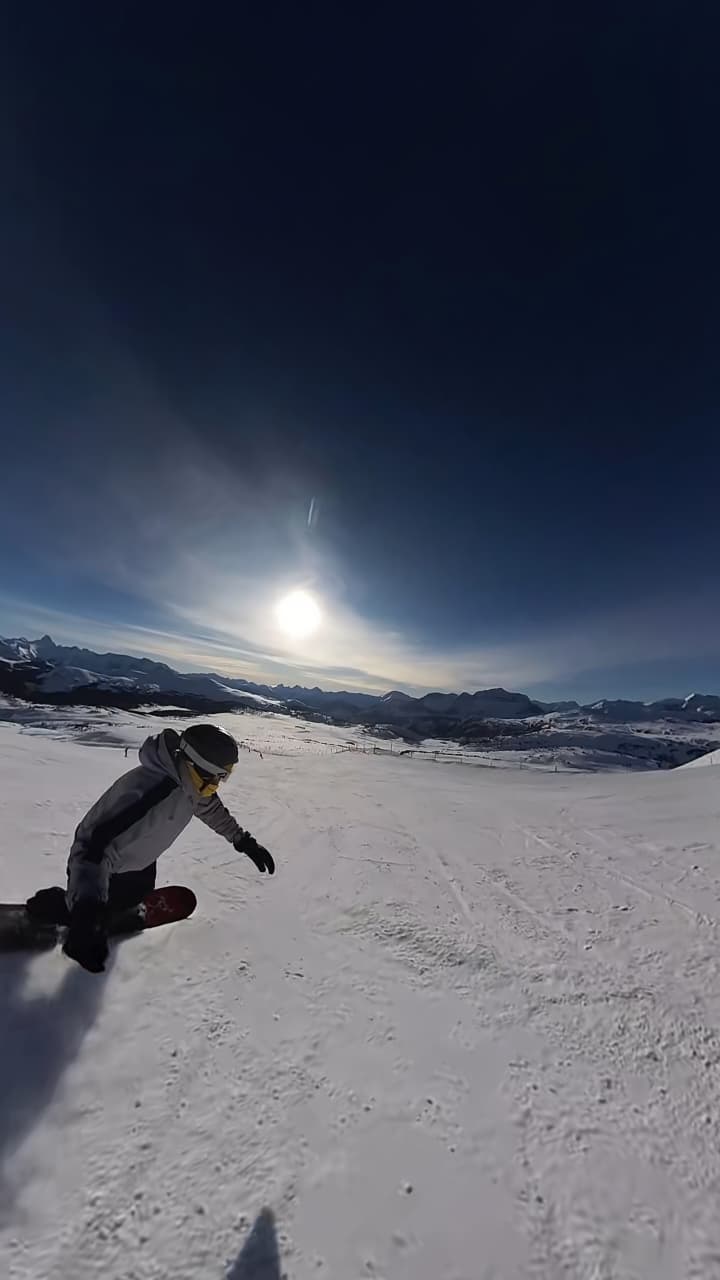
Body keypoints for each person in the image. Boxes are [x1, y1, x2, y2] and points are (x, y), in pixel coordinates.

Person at [25, 724, 274, 973]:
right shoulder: (151, 792)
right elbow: (93, 849)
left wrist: (243, 841)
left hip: (139, 860)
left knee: (135, 895)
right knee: (97, 908)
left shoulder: (188, 782)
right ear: (200, 765)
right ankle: (60, 907)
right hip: (105, 866)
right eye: (220, 775)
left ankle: (103, 911)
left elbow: (209, 808)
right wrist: (87, 908)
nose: (220, 782)